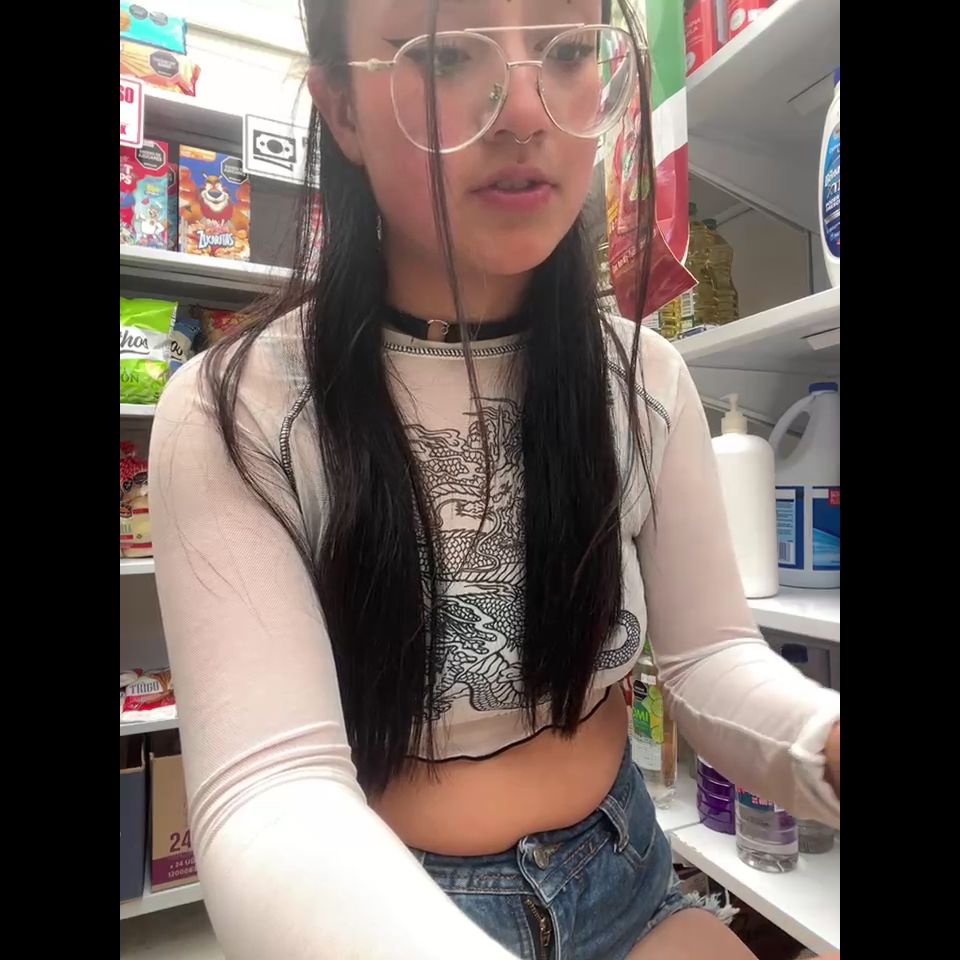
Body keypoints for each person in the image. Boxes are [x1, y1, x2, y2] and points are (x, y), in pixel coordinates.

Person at [150, 2, 840, 958]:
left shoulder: (642, 377)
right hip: (378, 909)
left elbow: (709, 658)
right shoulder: (239, 410)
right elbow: (274, 797)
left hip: (624, 878)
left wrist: (825, 741)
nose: (524, 108)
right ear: (341, 107)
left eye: (567, 49)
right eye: (444, 55)